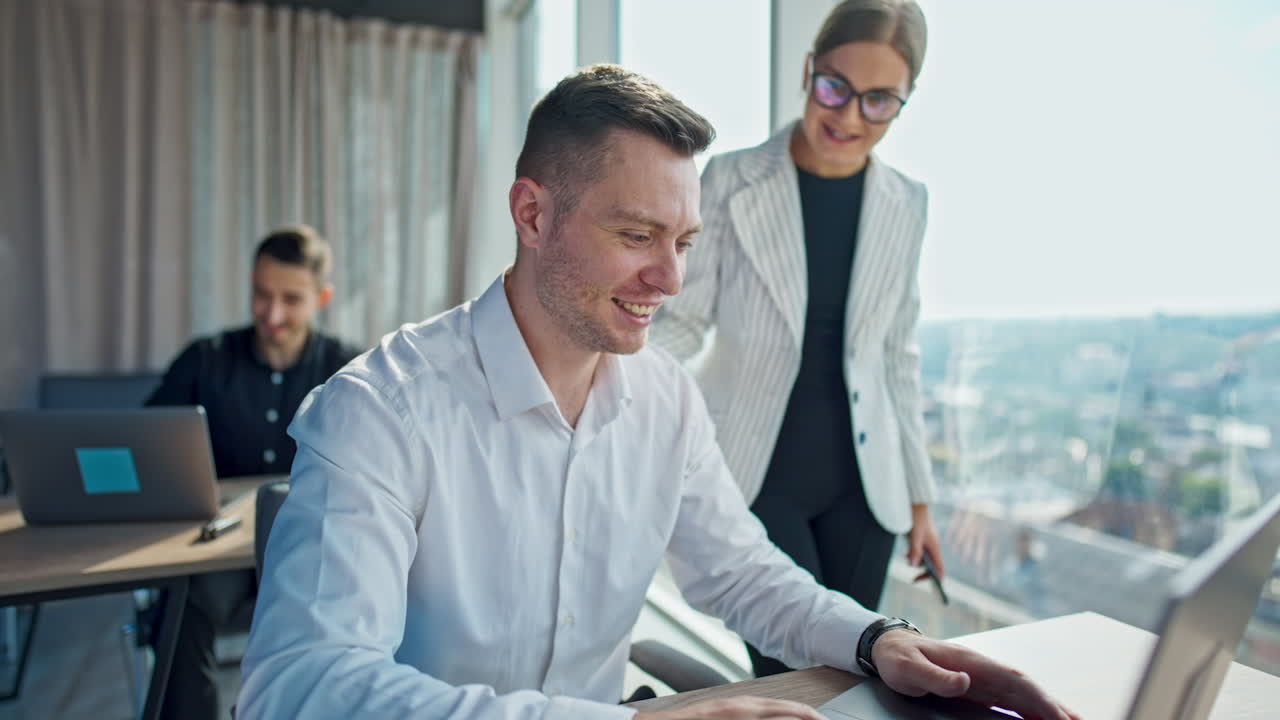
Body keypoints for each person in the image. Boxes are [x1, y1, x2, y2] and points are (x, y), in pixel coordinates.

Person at [237, 65, 1077, 720]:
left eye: (683, 240)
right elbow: (297, 686)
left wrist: (878, 639)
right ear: (532, 214)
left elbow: (742, 574)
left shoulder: (665, 398)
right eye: (637, 235)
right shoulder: (378, 411)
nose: (670, 279)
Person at [649, 0, 942, 678]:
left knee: (859, 675)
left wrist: (921, 501)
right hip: (759, 472)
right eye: (835, 87)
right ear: (809, 70)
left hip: (865, 492)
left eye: (878, 101)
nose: (847, 117)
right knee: (786, 677)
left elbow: (897, 356)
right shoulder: (729, 179)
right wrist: (603, 384)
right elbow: (686, 321)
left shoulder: (909, 202)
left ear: (903, 102)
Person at [147, 225, 360, 720]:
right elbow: (145, 445)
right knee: (180, 609)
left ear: (322, 298)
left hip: (310, 550)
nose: (273, 314)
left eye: (291, 299)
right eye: (262, 295)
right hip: (216, 556)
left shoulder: (350, 370)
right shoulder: (206, 359)